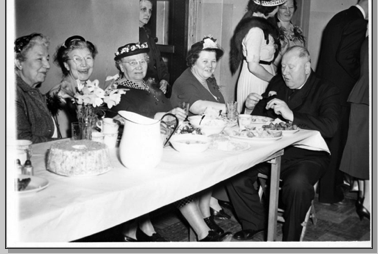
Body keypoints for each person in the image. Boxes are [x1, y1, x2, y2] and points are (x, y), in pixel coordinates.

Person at [107, 42, 228, 242]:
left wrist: (174, 115)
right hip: (139, 151)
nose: (138, 66)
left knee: (200, 163)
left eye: (142, 61)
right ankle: (203, 232)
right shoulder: (117, 91)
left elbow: (168, 113)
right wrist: (162, 116)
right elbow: (125, 124)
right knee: (181, 177)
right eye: (131, 63)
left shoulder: (150, 86)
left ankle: (200, 227)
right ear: (121, 66)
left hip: (163, 143)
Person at [226, 46, 340, 241]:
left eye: (291, 67)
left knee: (297, 184)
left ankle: (290, 241)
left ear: (306, 67)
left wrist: (292, 115)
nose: (285, 73)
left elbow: (330, 127)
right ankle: (255, 222)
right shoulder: (277, 82)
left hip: (308, 155)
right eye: (283, 67)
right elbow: (261, 118)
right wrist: (250, 107)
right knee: (233, 171)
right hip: (272, 151)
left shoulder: (325, 89)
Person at [171, 35, 232, 228]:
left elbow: (216, 104)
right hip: (185, 140)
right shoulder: (185, 80)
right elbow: (199, 107)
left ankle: (207, 209)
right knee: (213, 163)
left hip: (206, 134)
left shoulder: (209, 79)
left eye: (213, 62)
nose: (210, 66)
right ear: (193, 61)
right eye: (205, 61)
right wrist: (231, 108)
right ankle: (206, 215)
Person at [316, 0, 368, 204]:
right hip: (341, 92)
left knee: (330, 142)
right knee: (337, 143)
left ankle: (325, 189)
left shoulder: (340, 16)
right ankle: (330, 192)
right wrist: (363, 76)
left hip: (326, 89)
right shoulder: (358, 22)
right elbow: (346, 57)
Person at [229, 0, 289, 113]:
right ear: (271, 8)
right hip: (256, 78)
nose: (279, 8)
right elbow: (253, 67)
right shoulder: (255, 30)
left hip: (264, 74)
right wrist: (275, 81)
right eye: (278, 5)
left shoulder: (262, 23)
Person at [339, 37, 370, 220]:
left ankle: (364, 197)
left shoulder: (368, 38)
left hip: (363, 93)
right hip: (368, 94)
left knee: (363, 147)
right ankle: (368, 203)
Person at [15, 33, 62, 143]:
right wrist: (65, 142)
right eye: (39, 59)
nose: (47, 65)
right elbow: (23, 141)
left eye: (47, 58)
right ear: (19, 63)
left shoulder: (33, 93)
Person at [48, 35, 98, 137]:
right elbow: (67, 137)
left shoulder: (91, 90)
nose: (84, 64)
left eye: (88, 58)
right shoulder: (59, 95)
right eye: (77, 59)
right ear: (66, 65)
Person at [139, 0, 170, 94]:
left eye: (150, 10)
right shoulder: (132, 34)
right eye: (143, 9)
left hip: (154, 87)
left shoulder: (148, 33)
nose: (148, 14)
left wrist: (164, 79)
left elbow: (159, 61)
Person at [269, 0, 305, 66]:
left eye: (291, 7)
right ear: (276, 9)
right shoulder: (272, 31)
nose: (288, 11)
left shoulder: (297, 30)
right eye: (283, 8)